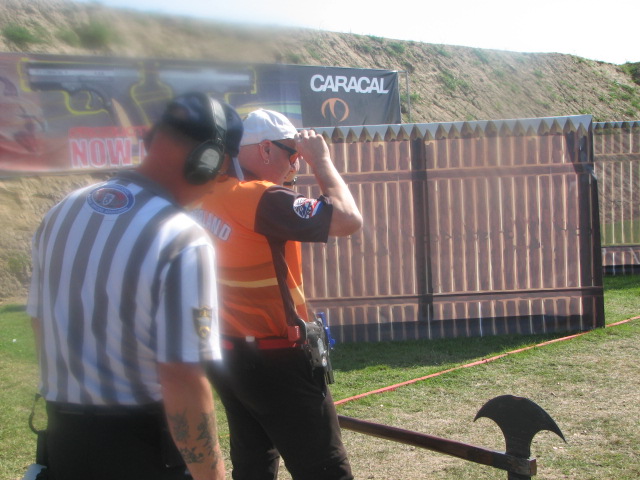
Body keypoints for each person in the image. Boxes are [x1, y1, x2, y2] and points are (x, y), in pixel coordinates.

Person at [26, 92, 244, 480]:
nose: (217, 183)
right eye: (222, 169)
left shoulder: (61, 212)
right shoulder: (182, 237)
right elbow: (181, 377)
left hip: (64, 444)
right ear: (207, 160)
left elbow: (40, 323)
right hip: (142, 451)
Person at [194, 109, 363, 479]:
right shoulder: (260, 197)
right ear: (265, 149)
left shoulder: (208, 192)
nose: (296, 164)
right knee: (325, 469)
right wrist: (321, 160)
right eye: (293, 153)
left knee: (254, 463)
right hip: (277, 356)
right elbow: (348, 219)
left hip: (228, 353)